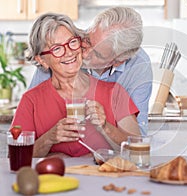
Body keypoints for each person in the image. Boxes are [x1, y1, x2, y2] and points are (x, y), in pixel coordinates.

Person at [11, 13, 140, 157]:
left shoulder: (115, 92)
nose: (69, 53)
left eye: (72, 42)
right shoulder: (31, 100)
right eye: (57, 49)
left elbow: (137, 150)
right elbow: (16, 157)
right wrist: (49, 139)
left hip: (102, 179)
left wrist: (105, 127)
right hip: (56, 179)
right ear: (42, 60)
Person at [29, 7, 153, 136]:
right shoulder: (62, 51)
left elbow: (137, 138)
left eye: (98, 54)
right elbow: (29, 124)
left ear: (118, 61)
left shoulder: (138, 66)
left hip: (110, 153)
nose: (85, 53)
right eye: (87, 40)